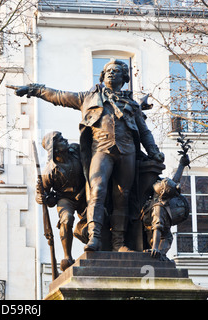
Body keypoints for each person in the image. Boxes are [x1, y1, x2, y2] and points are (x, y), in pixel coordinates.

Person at [14, 59, 164, 252]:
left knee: (122, 196)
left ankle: (119, 243)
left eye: (116, 70)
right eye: (107, 70)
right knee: (97, 190)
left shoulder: (132, 104)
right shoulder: (88, 97)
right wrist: (34, 90)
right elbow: (58, 96)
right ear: (102, 76)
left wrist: (153, 151)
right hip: (101, 150)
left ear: (124, 77)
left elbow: (144, 132)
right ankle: (95, 237)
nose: (111, 73)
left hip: (128, 151)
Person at [36, 131, 86, 270]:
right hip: (65, 198)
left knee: (94, 219)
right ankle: (67, 257)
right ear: (55, 148)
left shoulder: (75, 150)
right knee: (66, 219)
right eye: (60, 140)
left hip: (84, 194)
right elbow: (41, 192)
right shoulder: (49, 171)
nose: (65, 140)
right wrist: (40, 197)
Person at [141, 154, 190, 260]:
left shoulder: (158, 207)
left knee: (157, 257)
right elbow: (175, 181)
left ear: (162, 191)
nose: (159, 181)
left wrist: (155, 248)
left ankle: (160, 254)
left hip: (162, 240)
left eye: (161, 183)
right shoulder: (159, 197)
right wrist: (182, 165)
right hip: (151, 234)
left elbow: (157, 228)